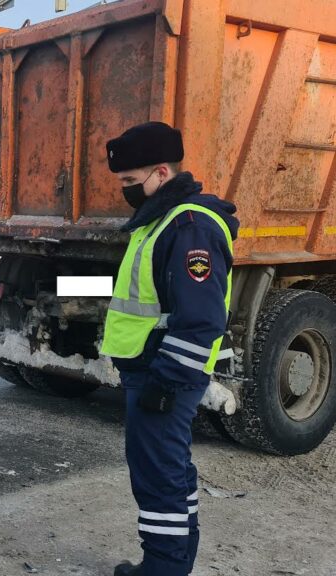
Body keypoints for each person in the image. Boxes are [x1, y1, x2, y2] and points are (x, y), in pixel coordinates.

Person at [100, 122, 239, 576]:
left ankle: (163, 569)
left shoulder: (190, 226)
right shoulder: (162, 220)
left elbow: (200, 320)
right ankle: (172, 561)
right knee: (168, 469)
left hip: (164, 375)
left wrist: (166, 381)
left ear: (161, 171)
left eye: (129, 181)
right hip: (151, 370)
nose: (124, 191)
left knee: (159, 475)